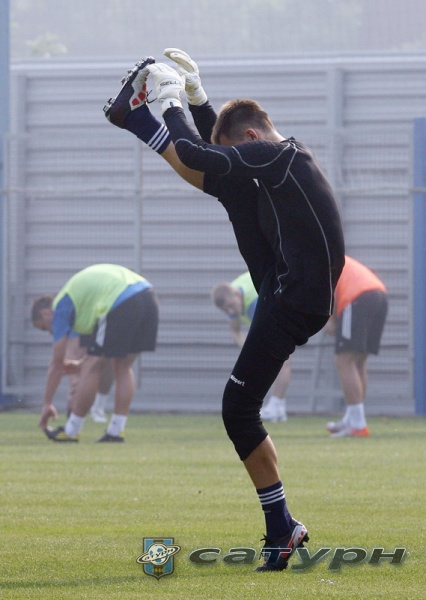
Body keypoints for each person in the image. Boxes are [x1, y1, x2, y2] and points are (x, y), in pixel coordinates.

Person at [103, 50, 345, 571]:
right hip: (286, 286)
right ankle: (134, 118)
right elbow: (216, 152)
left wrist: (170, 102)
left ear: (252, 138)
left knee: (238, 410)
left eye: (238, 147)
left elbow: (197, 152)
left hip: (294, 299)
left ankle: (282, 527)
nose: (237, 155)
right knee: (232, 187)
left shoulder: (275, 156)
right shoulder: (280, 158)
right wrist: (198, 99)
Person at [32, 264, 159, 442]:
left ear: (46, 314)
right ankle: (116, 431)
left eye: (45, 328)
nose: (50, 333)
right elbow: (102, 352)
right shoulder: (84, 303)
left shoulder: (61, 306)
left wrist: (47, 403)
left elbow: (57, 364)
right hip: (148, 297)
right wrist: (82, 364)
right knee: (122, 366)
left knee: (92, 368)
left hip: (121, 300)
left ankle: (71, 431)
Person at [212, 271, 291, 422]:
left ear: (237, 294)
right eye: (226, 310)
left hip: (284, 304)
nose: (231, 312)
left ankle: (276, 406)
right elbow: (235, 331)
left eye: (231, 306)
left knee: (283, 359)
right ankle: (277, 408)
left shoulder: (255, 302)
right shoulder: (232, 298)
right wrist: (249, 352)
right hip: (274, 302)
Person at [324, 255, 388, 437]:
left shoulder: (319, 257)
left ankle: (358, 425)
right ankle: (352, 419)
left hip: (357, 297)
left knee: (343, 360)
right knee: (358, 361)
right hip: (378, 294)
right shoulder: (331, 252)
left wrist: (331, 320)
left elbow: (329, 290)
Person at [64, 334, 114, 423]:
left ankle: (98, 407)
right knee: (77, 351)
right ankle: (75, 403)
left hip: (102, 328)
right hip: (80, 330)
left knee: (107, 358)